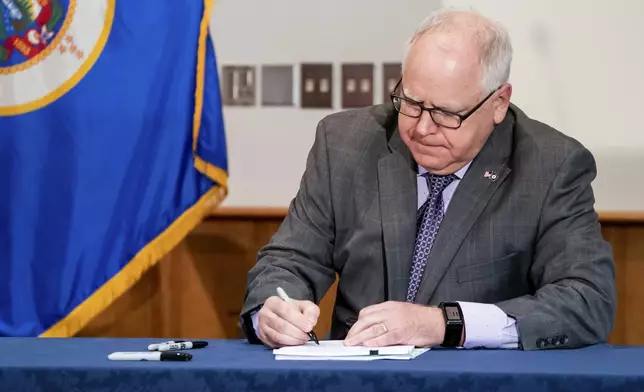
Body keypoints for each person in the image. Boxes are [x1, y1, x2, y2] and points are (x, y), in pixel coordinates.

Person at [240, 8, 616, 350]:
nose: (421, 128)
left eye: (447, 114)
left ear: (498, 103)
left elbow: (587, 300)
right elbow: (289, 260)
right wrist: (273, 310)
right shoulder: (344, 144)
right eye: (412, 102)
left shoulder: (551, 165)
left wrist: (445, 324)